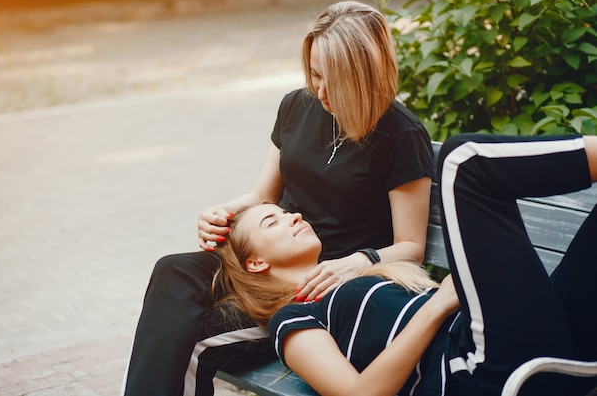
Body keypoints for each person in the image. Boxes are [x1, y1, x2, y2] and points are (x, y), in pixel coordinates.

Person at [121, 0, 434, 396]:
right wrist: (220, 213)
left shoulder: (400, 134)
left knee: (195, 339)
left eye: (331, 80)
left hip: (315, 284)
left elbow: (412, 246)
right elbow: (261, 196)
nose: (319, 90)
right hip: (274, 251)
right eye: (314, 74)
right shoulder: (296, 105)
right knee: (174, 270)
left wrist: (357, 262)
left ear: (364, 75)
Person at [214, 133, 597, 396]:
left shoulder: (358, 275)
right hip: (483, 371)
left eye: (285, 212)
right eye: (273, 221)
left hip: (553, 349)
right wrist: (438, 304)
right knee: (463, 162)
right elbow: (360, 393)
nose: (292, 216)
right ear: (256, 262)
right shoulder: (294, 317)